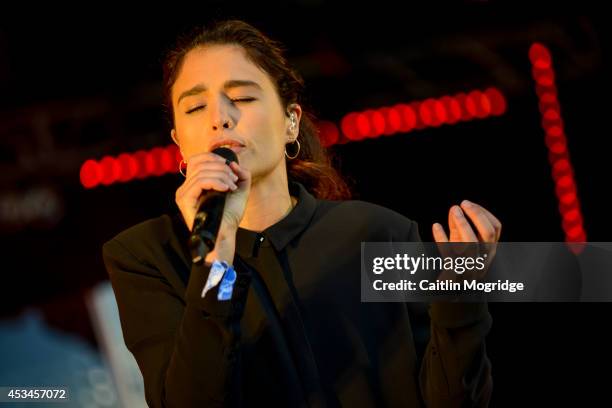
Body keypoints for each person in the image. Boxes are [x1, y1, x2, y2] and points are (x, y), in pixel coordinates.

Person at [102, 19, 502, 407]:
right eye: (194, 107)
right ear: (178, 144)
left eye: (241, 98)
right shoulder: (148, 256)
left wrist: (460, 297)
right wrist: (215, 258)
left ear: (291, 122)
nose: (219, 118)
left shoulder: (376, 233)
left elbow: (454, 399)